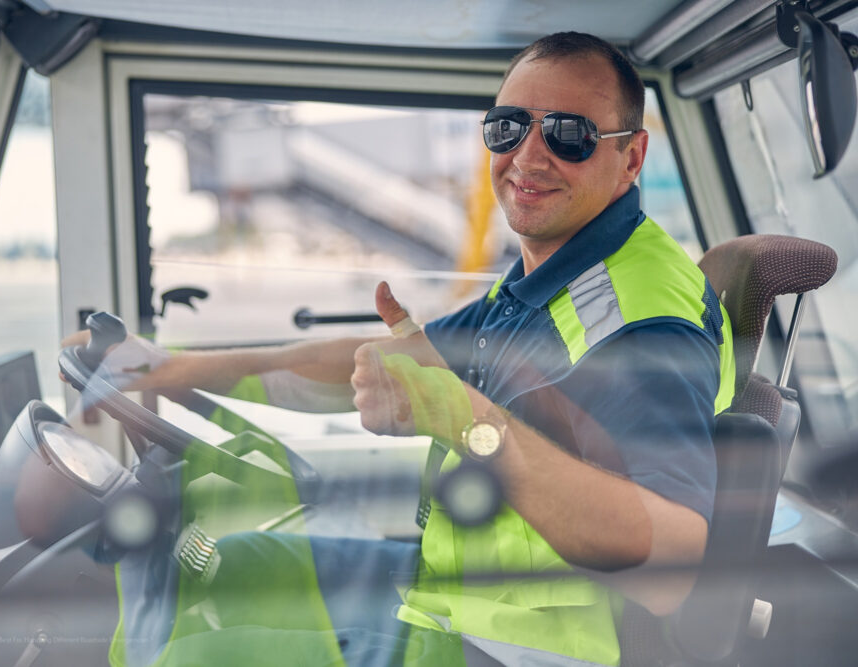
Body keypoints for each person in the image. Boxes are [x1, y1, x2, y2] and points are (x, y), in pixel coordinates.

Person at [70, 32, 734, 667]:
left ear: (632, 157)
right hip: (469, 586)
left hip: (523, 644)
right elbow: (401, 362)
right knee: (226, 562)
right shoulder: (555, 276)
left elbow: (667, 564)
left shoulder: (639, 320)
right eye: (508, 127)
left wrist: (463, 418)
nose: (529, 156)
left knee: (199, 649)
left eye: (568, 134)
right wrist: (173, 367)